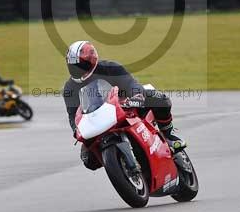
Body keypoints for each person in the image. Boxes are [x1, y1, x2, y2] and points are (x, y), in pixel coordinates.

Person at [63, 40, 186, 168]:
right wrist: (76, 130)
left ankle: (168, 135)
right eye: (73, 66)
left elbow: (131, 83)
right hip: (98, 121)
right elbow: (73, 114)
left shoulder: (110, 67)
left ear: (92, 61)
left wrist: (137, 95)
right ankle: (118, 162)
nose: (77, 70)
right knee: (88, 160)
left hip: (126, 106)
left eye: (81, 65)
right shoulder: (69, 88)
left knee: (159, 99)